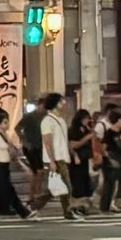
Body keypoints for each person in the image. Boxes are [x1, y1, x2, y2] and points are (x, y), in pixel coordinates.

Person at [35, 91, 81, 220]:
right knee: (64, 186)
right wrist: (52, 160)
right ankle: (67, 211)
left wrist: (73, 154)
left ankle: (33, 207)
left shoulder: (61, 120)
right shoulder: (47, 121)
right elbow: (47, 141)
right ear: (55, 104)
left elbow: (64, 140)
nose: (64, 103)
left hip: (63, 157)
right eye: (61, 101)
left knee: (57, 188)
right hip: (55, 158)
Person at [0, 106, 30, 221]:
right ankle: (23, 212)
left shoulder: (6, 136)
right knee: (8, 189)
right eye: (5, 122)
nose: (7, 125)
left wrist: (22, 165)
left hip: (5, 166)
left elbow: (12, 152)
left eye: (7, 122)